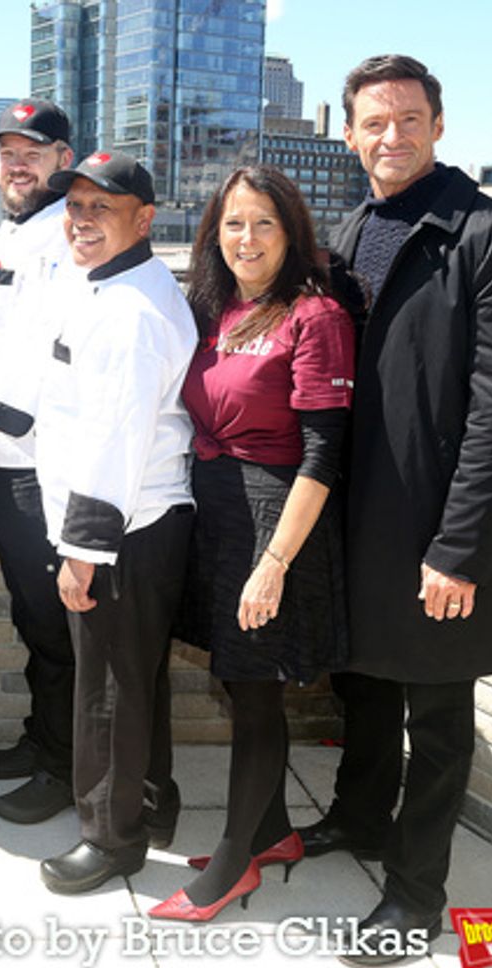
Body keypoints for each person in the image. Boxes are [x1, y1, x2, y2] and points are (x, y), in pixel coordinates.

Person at [291, 55, 492, 966]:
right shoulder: (357, 226)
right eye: (373, 122)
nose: (390, 136)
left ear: (438, 124)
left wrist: (460, 548)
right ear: (352, 133)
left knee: (435, 720)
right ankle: (360, 819)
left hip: (440, 531)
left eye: (408, 119)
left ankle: (414, 896)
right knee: (363, 684)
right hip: (362, 522)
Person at [0, 151, 197, 895]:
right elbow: (36, 368)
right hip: (125, 518)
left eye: (102, 207)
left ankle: (112, 837)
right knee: (136, 676)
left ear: (145, 218)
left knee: (110, 689)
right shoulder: (97, 283)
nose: (83, 221)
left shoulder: (134, 312)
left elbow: (112, 440)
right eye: (77, 207)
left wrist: (83, 553)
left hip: (123, 524)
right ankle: (152, 804)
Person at [148, 165, 356, 922]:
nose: (247, 238)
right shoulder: (220, 308)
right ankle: (272, 833)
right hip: (218, 511)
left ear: (292, 232)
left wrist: (275, 563)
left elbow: (323, 454)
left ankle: (234, 863)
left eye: (264, 222)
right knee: (240, 683)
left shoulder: (315, 315)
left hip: (276, 520)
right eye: (234, 223)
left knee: (258, 691)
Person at [0, 99, 81, 825]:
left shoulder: (61, 236)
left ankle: (66, 766)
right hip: (2, 461)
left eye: (32, 150)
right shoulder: (17, 230)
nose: (17, 163)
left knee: (53, 620)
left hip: (32, 462)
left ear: (63, 158)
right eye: (6, 152)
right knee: (33, 618)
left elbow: (36, 354)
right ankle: (43, 739)